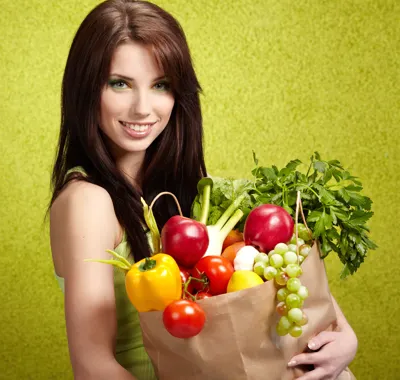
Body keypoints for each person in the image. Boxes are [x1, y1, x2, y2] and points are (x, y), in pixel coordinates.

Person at [47, 1, 358, 379]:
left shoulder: (181, 191)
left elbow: (259, 280)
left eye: (160, 85)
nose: (144, 108)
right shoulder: (88, 200)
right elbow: (93, 366)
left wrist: (344, 338)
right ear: (85, 88)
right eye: (120, 83)